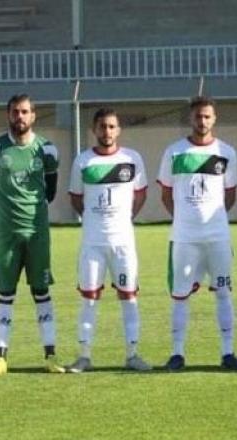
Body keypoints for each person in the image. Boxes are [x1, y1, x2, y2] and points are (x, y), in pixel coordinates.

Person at [0, 93, 66, 375]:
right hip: (6, 233)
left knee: (41, 291)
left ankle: (50, 356)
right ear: (8, 115)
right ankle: (0, 358)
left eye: (25, 112)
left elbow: (50, 192)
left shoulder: (47, 149)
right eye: (15, 112)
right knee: (5, 293)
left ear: (33, 115)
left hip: (37, 232)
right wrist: (7, 214)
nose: (20, 117)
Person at [157, 96, 237, 371]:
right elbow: (166, 194)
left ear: (214, 119)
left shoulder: (226, 152)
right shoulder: (174, 152)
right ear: (190, 118)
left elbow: (229, 194)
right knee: (180, 295)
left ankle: (228, 353)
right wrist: (185, 219)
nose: (202, 121)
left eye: (207, 116)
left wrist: (213, 220)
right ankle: (177, 354)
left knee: (223, 292)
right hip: (184, 238)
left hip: (218, 237)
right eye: (198, 116)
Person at [67, 107, 151, 372]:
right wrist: (93, 220)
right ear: (94, 129)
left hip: (123, 243)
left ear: (119, 130)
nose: (107, 131)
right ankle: (84, 356)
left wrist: (124, 218)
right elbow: (76, 198)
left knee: (129, 297)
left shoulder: (132, 159)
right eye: (102, 126)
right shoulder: (83, 161)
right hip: (93, 243)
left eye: (112, 126)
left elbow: (140, 194)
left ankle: (133, 355)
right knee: (89, 298)